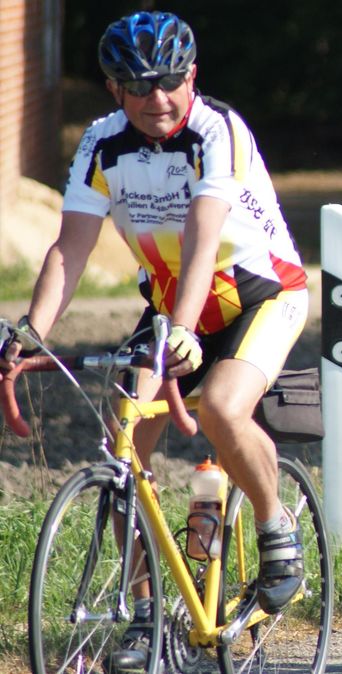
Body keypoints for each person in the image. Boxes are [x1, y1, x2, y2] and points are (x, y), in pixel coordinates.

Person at [0, 11, 308, 671]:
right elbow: (70, 248)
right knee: (123, 430)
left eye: (169, 82)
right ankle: (145, 617)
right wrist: (32, 333)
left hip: (260, 294)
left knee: (224, 407)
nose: (156, 99)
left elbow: (204, 234)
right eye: (137, 87)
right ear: (114, 90)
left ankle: (276, 522)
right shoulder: (102, 145)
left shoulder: (215, 131)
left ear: (191, 75)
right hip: (173, 309)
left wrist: (185, 331)